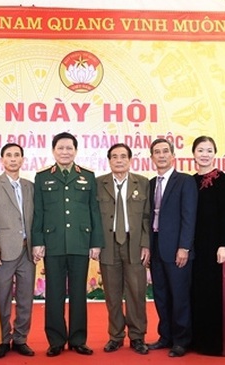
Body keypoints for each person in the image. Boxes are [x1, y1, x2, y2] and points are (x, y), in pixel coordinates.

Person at [31, 132, 104, 357]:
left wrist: (96, 242)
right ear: (53, 151)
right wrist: (37, 241)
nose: (65, 152)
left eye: (69, 148)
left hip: (80, 243)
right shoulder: (43, 177)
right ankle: (55, 340)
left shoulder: (88, 177)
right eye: (60, 148)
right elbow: (39, 212)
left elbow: (94, 211)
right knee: (53, 294)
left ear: (76, 150)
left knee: (78, 294)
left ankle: (78, 339)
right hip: (53, 244)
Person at [95, 143, 151, 355]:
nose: (119, 160)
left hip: (134, 244)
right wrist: (95, 243)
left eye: (123, 156)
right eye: (114, 157)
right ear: (109, 160)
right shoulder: (99, 183)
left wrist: (146, 244)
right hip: (108, 245)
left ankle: (137, 336)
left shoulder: (143, 183)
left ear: (130, 160)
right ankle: (115, 336)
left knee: (137, 293)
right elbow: (93, 216)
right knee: (112, 294)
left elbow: (147, 216)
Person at [0, 143, 37, 359]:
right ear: (2, 160)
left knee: (26, 298)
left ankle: (21, 338)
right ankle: (3, 339)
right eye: (9, 155)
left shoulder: (30, 186)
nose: (13, 159)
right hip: (3, 251)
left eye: (17, 155)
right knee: (1, 297)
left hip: (27, 251)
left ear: (23, 160)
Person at [146, 138, 198, 358]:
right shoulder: (149, 183)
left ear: (173, 155)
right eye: (157, 152)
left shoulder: (184, 181)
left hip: (177, 249)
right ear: (152, 158)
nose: (161, 155)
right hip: (156, 246)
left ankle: (181, 340)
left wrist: (184, 247)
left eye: (165, 151)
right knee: (161, 294)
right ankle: (165, 336)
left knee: (179, 295)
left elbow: (189, 216)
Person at [189, 136, 225, 356]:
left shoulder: (221, 180)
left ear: (214, 153)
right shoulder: (189, 181)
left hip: (214, 247)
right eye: (200, 150)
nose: (204, 154)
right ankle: (195, 340)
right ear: (193, 154)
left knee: (213, 294)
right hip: (194, 246)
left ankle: (213, 344)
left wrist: (223, 245)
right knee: (195, 293)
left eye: (208, 150)